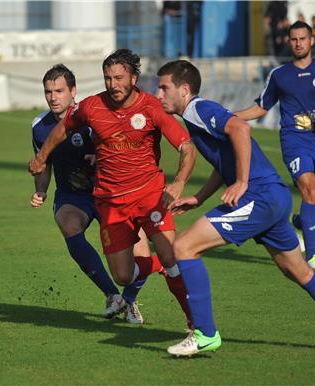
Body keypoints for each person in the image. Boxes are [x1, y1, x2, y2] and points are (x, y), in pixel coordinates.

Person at [155, 59, 315, 357]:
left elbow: (240, 128)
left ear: (184, 89)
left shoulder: (197, 108)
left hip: (259, 196)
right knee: (299, 271)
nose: (159, 93)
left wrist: (242, 182)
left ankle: (205, 334)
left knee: (183, 248)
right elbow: (224, 159)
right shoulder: (194, 116)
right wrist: (200, 197)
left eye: (164, 87)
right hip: (275, 197)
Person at [29, 49, 197, 329]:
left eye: (119, 78)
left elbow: (186, 148)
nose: (113, 84)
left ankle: (196, 322)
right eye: (108, 78)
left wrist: (179, 181)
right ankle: (141, 279)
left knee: (170, 257)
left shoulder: (152, 108)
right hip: (111, 202)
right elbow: (61, 130)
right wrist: (42, 157)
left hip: (149, 195)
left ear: (133, 77)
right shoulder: (92, 106)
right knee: (122, 275)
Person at [31, 64, 157, 323]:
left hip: (111, 193)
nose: (53, 97)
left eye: (59, 91)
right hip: (72, 195)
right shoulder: (39, 127)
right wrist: (41, 190)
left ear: (73, 91)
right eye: (48, 92)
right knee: (68, 223)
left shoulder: (93, 117)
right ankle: (113, 296)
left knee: (142, 250)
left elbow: (124, 149)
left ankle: (130, 300)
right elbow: (43, 163)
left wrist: (100, 156)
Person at [236, 21, 315, 272]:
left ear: (312, 41)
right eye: (293, 39)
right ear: (289, 42)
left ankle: (299, 222)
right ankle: (310, 257)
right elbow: (261, 107)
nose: (298, 43)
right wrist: (230, 116)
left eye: (302, 39)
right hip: (294, 141)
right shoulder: (279, 75)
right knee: (308, 189)